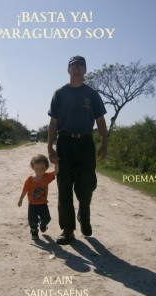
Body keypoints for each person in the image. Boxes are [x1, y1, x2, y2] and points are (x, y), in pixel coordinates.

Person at [47, 55, 107, 245]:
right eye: (73, 66)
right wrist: (50, 146)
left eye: (80, 66)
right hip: (64, 143)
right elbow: (53, 121)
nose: (77, 69)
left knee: (86, 186)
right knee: (64, 187)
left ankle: (84, 215)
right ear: (68, 70)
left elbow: (100, 120)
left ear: (85, 70)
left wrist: (104, 142)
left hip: (86, 144)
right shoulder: (59, 93)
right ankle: (67, 229)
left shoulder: (92, 94)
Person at [18, 154, 59, 240]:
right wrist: (21, 199)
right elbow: (25, 190)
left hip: (43, 204)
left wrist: (56, 162)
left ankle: (43, 224)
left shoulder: (46, 177)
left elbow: (56, 171)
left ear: (46, 168)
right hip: (32, 204)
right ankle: (34, 232)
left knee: (47, 218)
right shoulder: (29, 179)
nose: (40, 170)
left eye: (42, 168)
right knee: (32, 220)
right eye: (37, 168)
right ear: (33, 168)